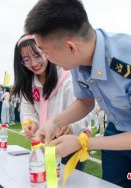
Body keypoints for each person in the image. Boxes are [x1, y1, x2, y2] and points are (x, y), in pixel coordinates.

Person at [25, 0, 131, 188]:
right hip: (118, 128)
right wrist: (54, 123)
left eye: (45, 52)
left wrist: (83, 142)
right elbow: (85, 101)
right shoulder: (77, 60)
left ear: (70, 47)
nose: (46, 59)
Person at [13, 35, 91, 170]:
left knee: (71, 187)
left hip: (69, 143)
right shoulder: (28, 83)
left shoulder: (68, 77)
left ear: (46, 51)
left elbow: (84, 107)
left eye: (37, 55)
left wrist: (71, 126)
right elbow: (27, 109)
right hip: (45, 142)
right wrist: (31, 123)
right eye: (26, 60)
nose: (33, 63)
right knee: (45, 183)